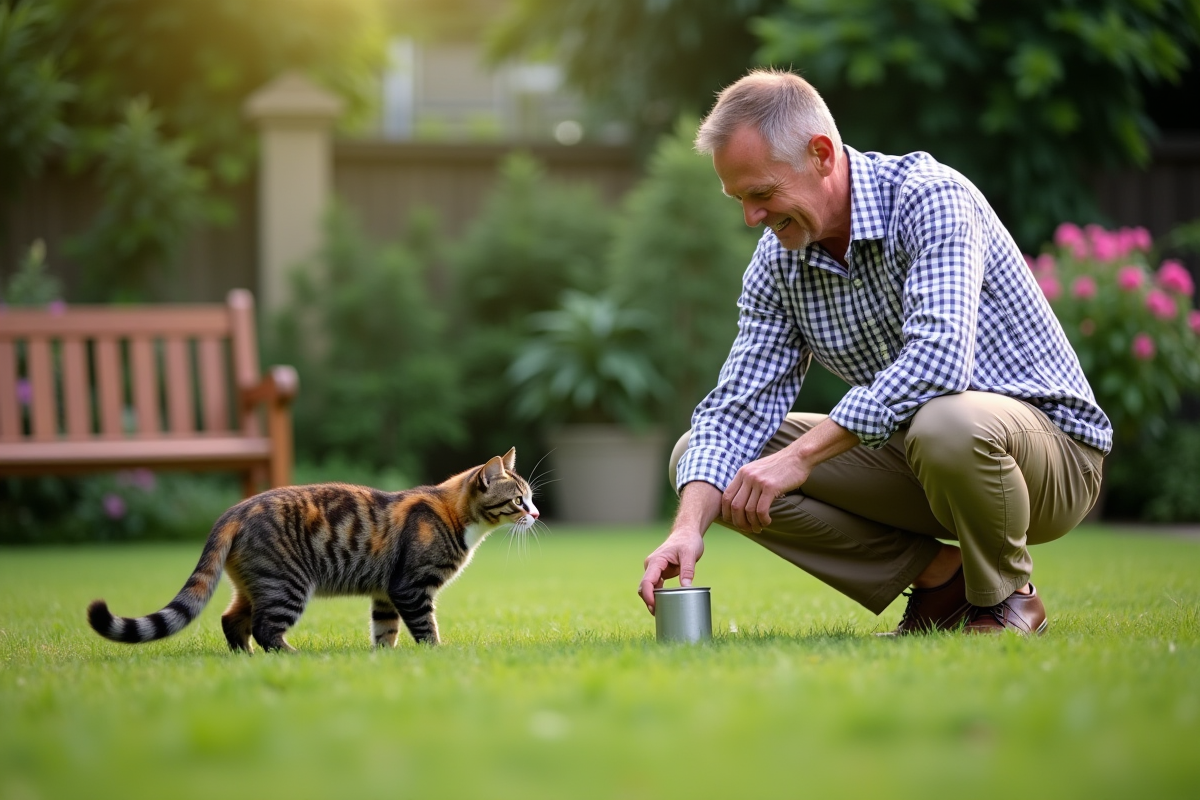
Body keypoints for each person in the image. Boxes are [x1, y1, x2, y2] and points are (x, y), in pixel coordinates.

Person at [637, 69, 1111, 635]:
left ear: (821, 154)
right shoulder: (777, 261)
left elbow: (939, 362)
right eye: (740, 199)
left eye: (762, 193)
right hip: (923, 455)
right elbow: (737, 405)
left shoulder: (930, 197)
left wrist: (802, 456)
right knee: (704, 458)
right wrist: (688, 527)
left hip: (1050, 460)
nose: (752, 218)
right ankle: (942, 580)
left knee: (945, 422)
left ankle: (1008, 598)